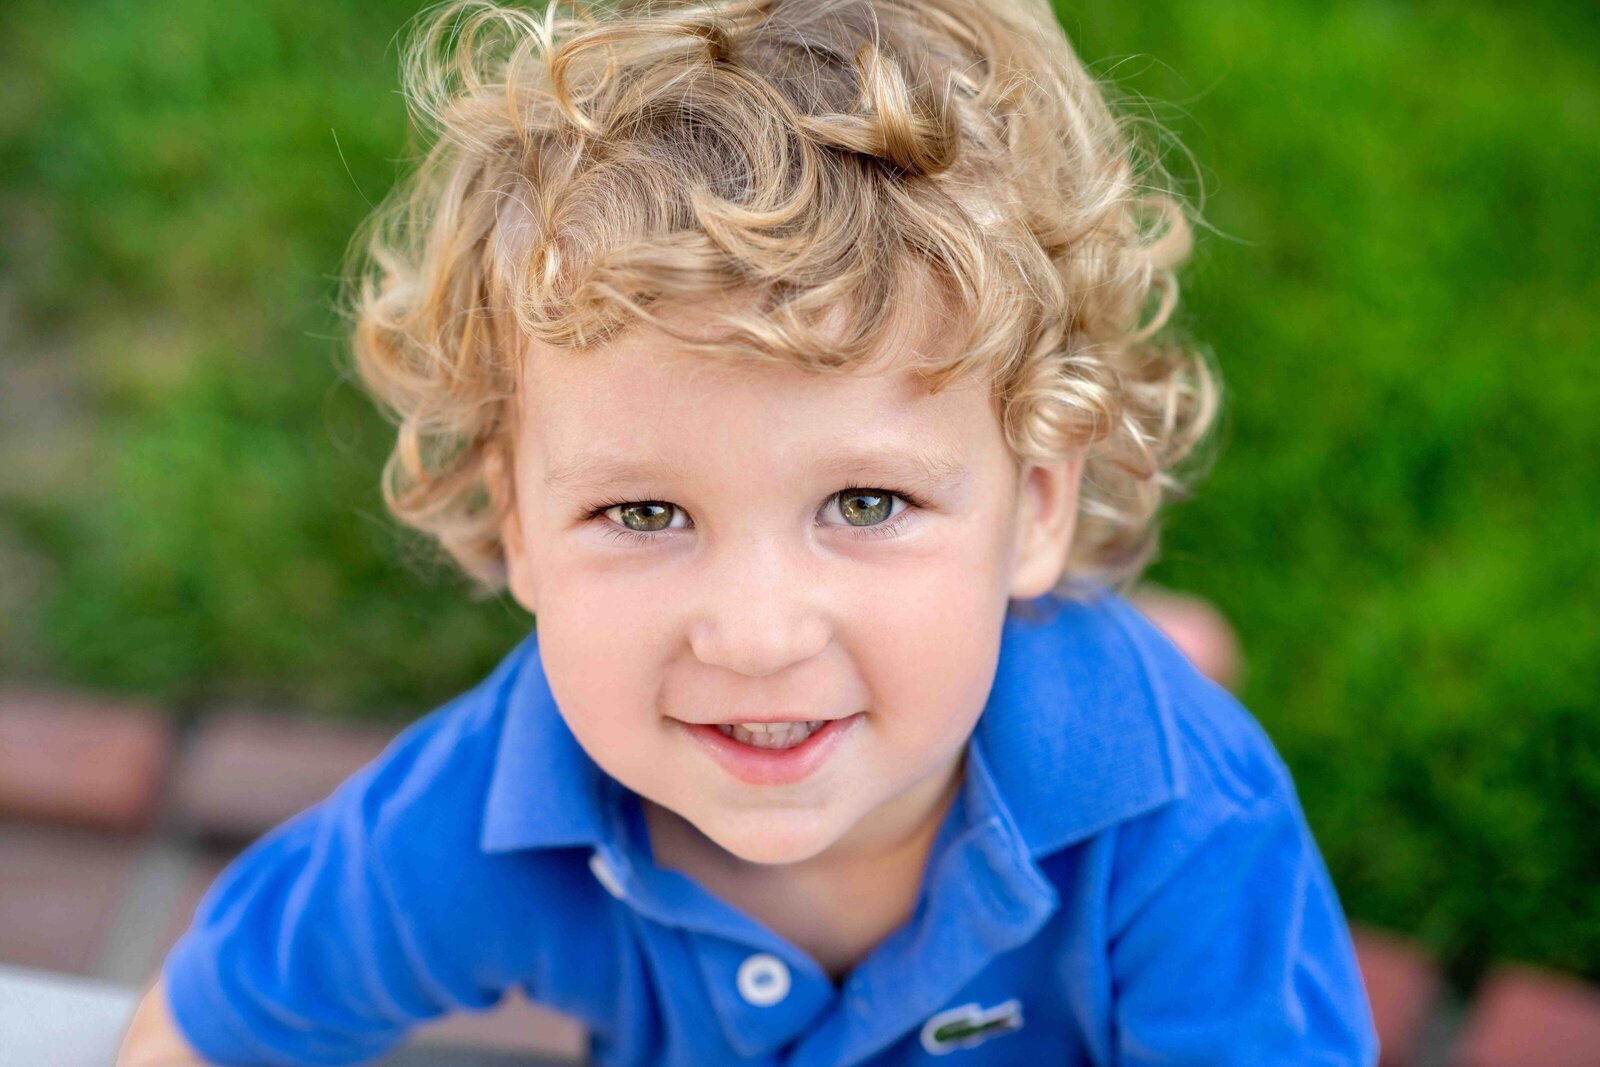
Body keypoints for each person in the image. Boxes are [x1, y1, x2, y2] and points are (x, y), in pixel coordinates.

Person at [116, 0, 1376, 1063]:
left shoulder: (1181, 818)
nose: (755, 633)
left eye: (865, 502)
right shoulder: (495, 814)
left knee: (1135, 683)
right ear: (515, 517)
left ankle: (1150, 642)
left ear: (1038, 500)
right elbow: (213, 1019)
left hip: (1118, 750)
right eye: (645, 511)